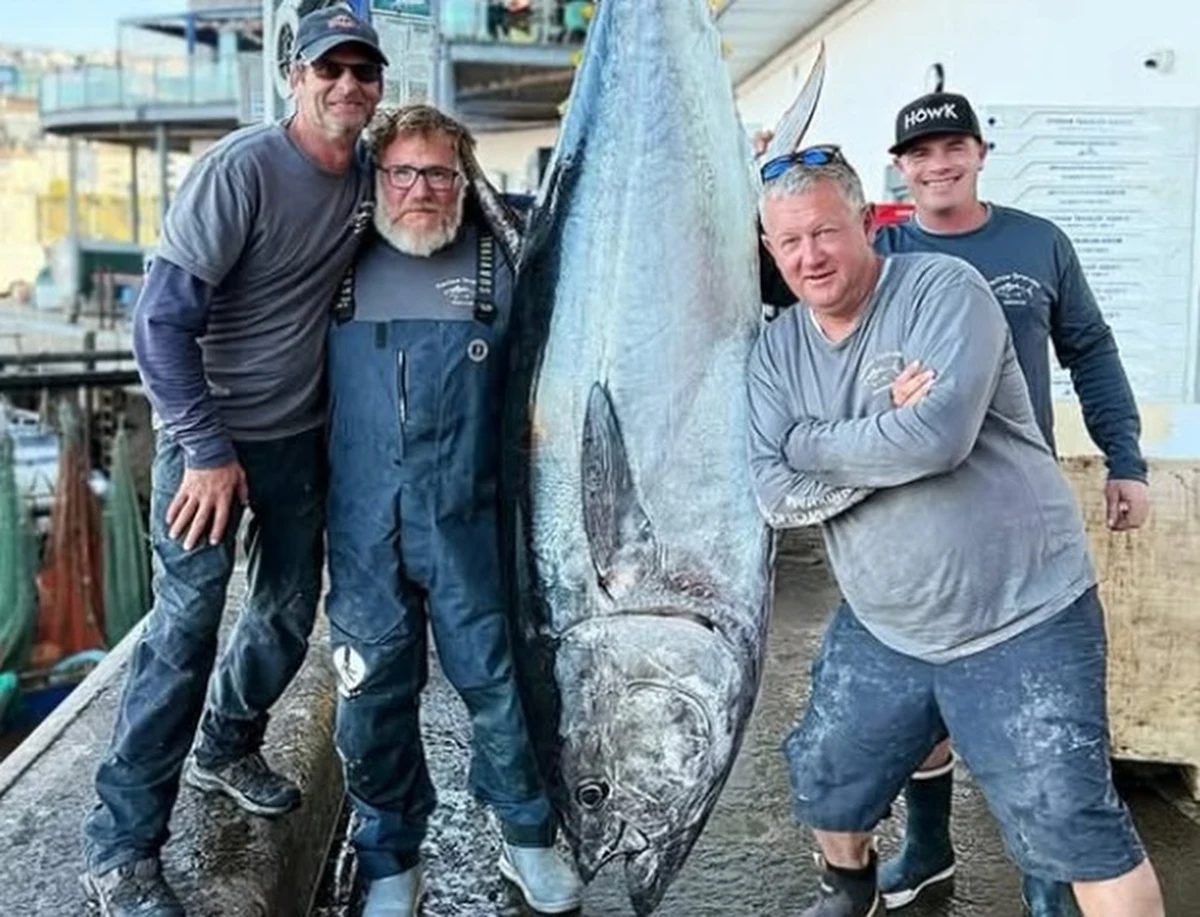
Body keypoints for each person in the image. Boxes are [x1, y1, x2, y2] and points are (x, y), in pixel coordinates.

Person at [754, 91, 1151, 915]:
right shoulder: (776, 348)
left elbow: (936, 439)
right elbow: (772, 489)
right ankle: (857, 885)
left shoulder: (947, 282)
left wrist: (814, 440)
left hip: (1021, 609)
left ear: (867, 221)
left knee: (1070, 827)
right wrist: (883, 433)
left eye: (825, 231)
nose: (810, 254)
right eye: (789, 240)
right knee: (826, 777)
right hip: (885, 619)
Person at [80, 7, 385, 914]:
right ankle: (120, 845)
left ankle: (226, 742)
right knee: (184, 627)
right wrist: (207, 449)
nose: (347, 84)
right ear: (295, 75)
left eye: (363, 70)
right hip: (206, 439)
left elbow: (454, 197)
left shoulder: (371, 174)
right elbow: (157, 323)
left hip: (295, 437)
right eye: (329, 68)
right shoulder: (240, 169)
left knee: (288, 612)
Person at [323, 103, 583, 917]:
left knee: (502, 686)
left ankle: (527, 834)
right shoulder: (331, 259)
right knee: (370, 698)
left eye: (439, 172)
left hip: (474, 523)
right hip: (362, 527)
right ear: (377, 178)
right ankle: (390, 858)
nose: (420, 189)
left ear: (465, 179)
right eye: (402, 172)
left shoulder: (507, 257)